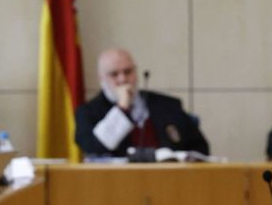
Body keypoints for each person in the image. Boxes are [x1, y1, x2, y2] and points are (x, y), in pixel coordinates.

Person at [74, 48, 209, 158]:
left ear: (136, 72)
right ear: (101, 79)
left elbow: (200, 148)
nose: (123, 79)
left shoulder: (168, 105)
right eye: (114, 74)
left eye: (128, 72)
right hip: (116, 180)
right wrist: (122, 108)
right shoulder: (87, 112)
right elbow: (93, 148)